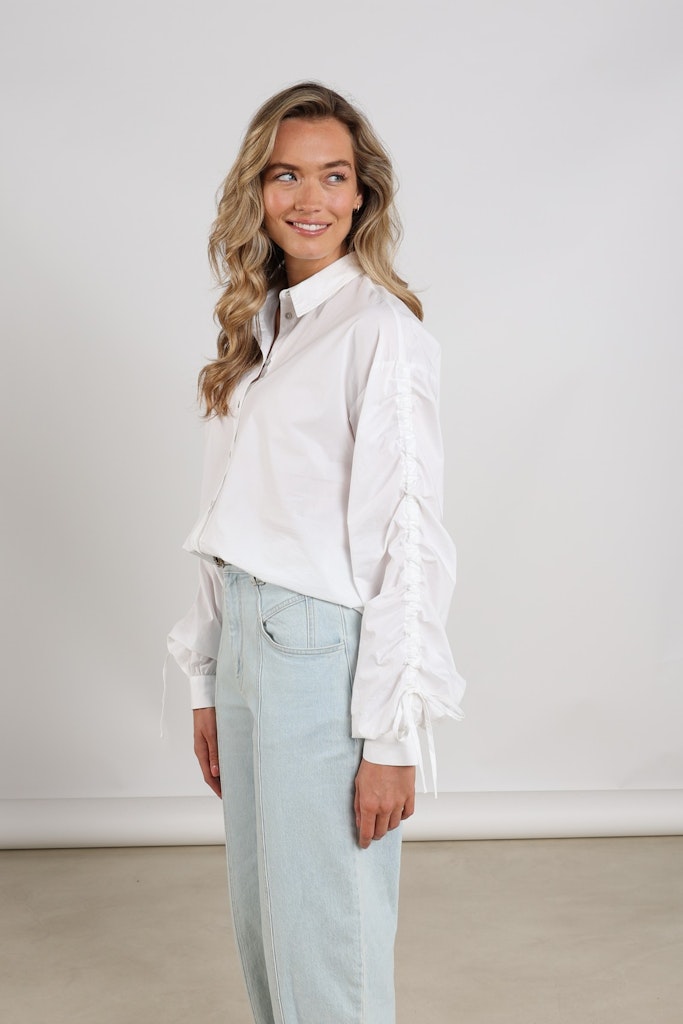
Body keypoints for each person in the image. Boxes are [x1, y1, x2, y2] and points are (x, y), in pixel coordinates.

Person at [167, 81, 466, 1024]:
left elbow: (406, 539)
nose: (310, 198)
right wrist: (207, 676)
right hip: (248, 643)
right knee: (268, 931)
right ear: (256, 191)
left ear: (362, 193)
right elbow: (223, 512)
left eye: (333, 176)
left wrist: (392, 738)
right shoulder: (259, 331)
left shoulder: (379, 332)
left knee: (325, 938)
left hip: (318, 652)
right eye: (286, 175)